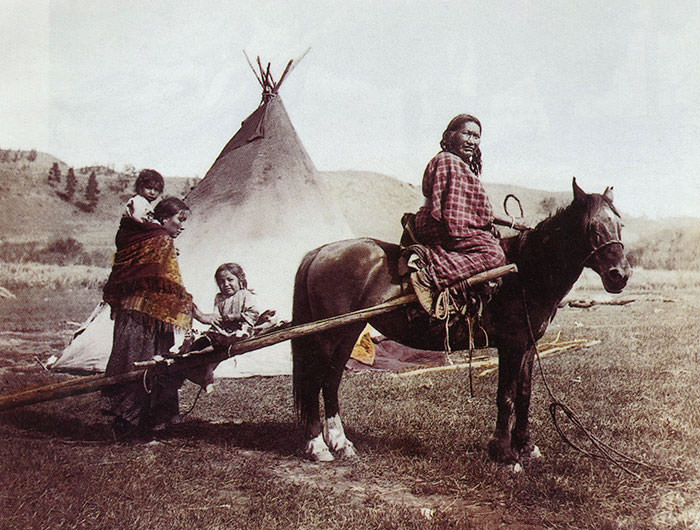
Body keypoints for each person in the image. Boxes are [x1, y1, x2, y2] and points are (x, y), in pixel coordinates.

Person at [101, 195, 212, 439]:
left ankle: (130, 423)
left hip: (130, 313)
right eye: (179, 219)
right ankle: (139, 426)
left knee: (131, 361)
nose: (182, 226)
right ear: (163, 218)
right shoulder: (161, 241)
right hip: (146, 318)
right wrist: (199, 314)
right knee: (146, 365)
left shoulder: (137, 238)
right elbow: (172, 284)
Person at [410, 114, 506, 304]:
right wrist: (484, 230)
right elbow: (454, 216)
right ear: (451, 135)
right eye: (467, 134)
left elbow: (471, 210)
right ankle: (431, 276)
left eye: (476, 136)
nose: (472, 141)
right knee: (494, 255)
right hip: (439, 224)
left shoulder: (460, 164)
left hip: (447, 223)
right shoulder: (448, 161)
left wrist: (511, 224)